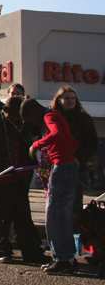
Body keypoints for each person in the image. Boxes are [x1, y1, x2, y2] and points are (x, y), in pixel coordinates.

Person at [0, 96, 49, 264]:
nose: (15, 118)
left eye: (18, 115)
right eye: (12, 115)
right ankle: (2, 249)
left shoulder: (24, 123)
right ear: (4, 111)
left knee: (23, 216)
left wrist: (30, 106)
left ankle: (31, 251)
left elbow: (38, 128)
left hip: (20, 174)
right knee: (1, 215)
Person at [21, 98, 79, 274]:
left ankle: (63, 258)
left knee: (55, 216)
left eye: (31, 120)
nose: (33, 123)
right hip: (67, 165)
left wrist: (35, 145)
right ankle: (67, 257)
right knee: (62, 214)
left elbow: (56, 134)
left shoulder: (49, 116)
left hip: (62, 167)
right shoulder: (56, 115)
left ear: (33, 112)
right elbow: (73, 141)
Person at [49, 86, 100, 231]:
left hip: (76, 169)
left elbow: (93, 144)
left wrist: (78, 158)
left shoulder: (83, 118)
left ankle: (75, 238)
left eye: (73, 98)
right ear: (59, 100)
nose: (70, 101)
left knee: (74, 206)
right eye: (67, 98)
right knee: (56, 206)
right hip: (56, 168)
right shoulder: (53, 117)